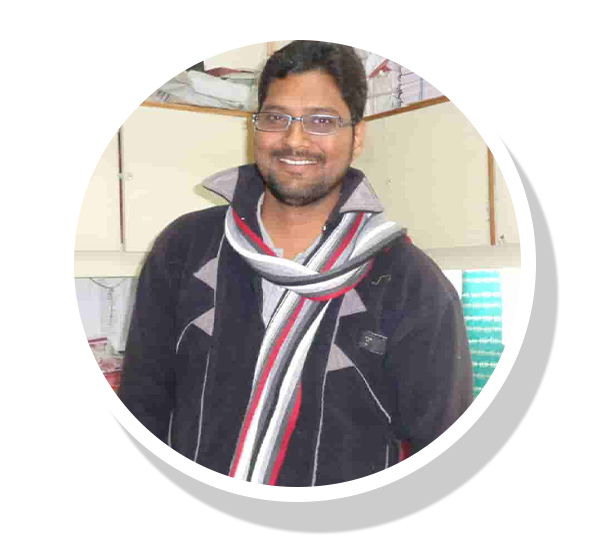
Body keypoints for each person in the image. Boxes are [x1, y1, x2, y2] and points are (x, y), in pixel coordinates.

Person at [119, 41, 473, 487]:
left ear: (357, 137)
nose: (294, 140)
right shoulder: (183, 249)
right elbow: (140, 410)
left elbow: (439, 441)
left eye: (322, 121)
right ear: (254, 127)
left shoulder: (411, 283)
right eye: (276, 118)